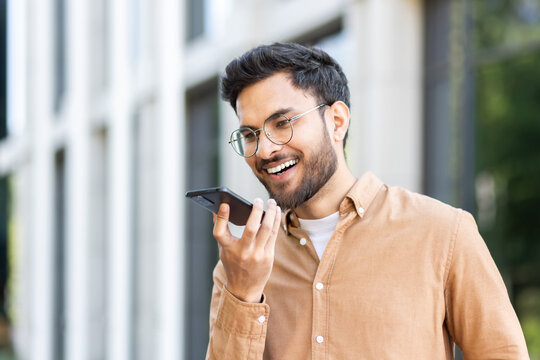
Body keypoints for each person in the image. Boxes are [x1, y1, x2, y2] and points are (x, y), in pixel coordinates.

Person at [206, 42, 529, 359]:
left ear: (337, 121)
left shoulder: (443, 232)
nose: (264, 150)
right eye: (250, 135)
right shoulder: (239, 265)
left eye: (282, 123)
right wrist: (244, 295)